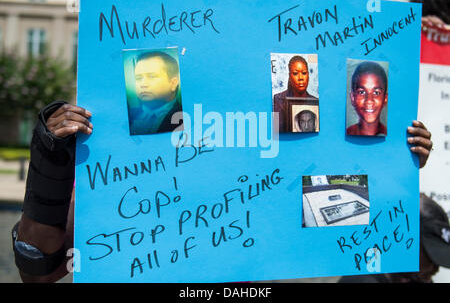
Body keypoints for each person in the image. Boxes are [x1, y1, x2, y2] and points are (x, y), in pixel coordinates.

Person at [10, 101, 433, 282]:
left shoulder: (296, 167)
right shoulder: (131, 171)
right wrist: (50, 158)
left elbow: (352, 216)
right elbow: (38, 268)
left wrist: (398, 166)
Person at [339, 193, 450, 283]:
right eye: (430, 254)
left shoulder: (416, 277)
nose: (436, 269)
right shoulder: (362, 279)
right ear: (400, 241)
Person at [128, 51, 183, 135]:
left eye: (151, 76)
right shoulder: (130, 115)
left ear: (173, 83)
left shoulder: (183, 118)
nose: (143, 84)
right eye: (138, 78)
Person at [273, 55, 318, 132]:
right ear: (289, 76)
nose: (300, 78)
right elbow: (278, 130)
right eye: (295, 73)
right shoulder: (278, 100)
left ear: (308, 75)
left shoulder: (315, 101)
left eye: (304, 73)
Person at [346, 61, 388, 136]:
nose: (369, 100)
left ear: (385, 98)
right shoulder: (344, 134)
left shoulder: (396, 135)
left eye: (376, 93)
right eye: (362, 92)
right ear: (352, 98)